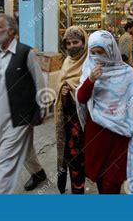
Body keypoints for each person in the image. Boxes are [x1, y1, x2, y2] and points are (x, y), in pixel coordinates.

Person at [0, 14, 47, 194]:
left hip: (22, 116)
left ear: (11, 31)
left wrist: (41, 111)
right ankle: (38, 173)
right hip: (1, 117)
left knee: (5, 159)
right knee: (26, 149)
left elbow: (39, 83)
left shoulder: (26, 52)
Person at [77, 30, 133, 194]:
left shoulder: (126, 72)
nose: (96, 57)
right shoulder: (89, 68)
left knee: (112, 184)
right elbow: (81, 99)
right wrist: (90, 81)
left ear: (110, 50)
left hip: (118, 138)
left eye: (100, 52)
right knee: (101, 183)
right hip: (96, 137)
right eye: (92, 53)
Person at [54, 26, 88, 194]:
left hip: (85, 121)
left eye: (76, 42)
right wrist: (63, 88)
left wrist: (73, 88)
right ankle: (74, 188)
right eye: (68, 43)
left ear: (84, 42)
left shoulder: (90, 61)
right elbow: (59, 84)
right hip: (67, 119)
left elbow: (91, 88)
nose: (72, 46)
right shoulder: (67, 61)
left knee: (82, 157)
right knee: (70, 156)